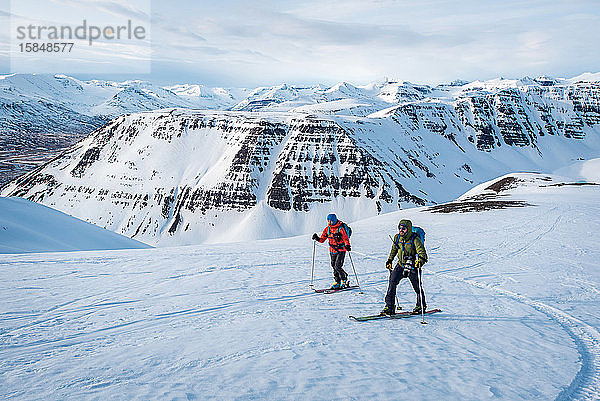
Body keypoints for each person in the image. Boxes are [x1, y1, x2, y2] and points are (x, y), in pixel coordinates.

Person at [380, 219, 427, 315]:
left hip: (413, 266)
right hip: (401, 264)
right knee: (392, 283)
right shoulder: (397, 238)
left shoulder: (415, 239)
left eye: (404, 228)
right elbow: (394, 249)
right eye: (400, 228)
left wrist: (420, 261)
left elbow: (422, 253)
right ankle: (389, 306)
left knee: (417, 287)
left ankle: (421, 306)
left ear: (408, 229)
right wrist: (390, 260)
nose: (401, 230)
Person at [312, 213, 352, 289]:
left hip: (341, 250)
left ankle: (344, 279)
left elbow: (345, 238)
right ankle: (337, 281)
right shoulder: (327, 229)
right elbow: (322, 239)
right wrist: (317, 238)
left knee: (338, 266)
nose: (329, 222)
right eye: (328, 221)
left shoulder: (340, 228)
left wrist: (347, 245)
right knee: (333, 266)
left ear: (334, 220)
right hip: (332, 250)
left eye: (331, 221)